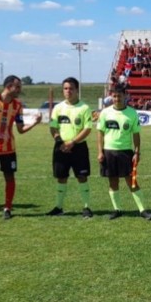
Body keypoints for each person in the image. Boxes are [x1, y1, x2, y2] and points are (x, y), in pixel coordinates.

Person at [0, 75, 42, 220]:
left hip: (8, 148)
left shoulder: (17, 106)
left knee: (9, 176)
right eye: (17, 87)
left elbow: (20, 129)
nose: (19, 90)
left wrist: (34, 123)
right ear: (8, 87)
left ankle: (7, 208)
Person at [97, 84, 151, 220]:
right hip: (109, 152)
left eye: (119, 96)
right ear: (111, 96)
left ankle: (143, 210)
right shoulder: (105, 113)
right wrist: (100, 152)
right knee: (113, 182)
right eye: (115, 96)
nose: (117, 99)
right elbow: (100, 133)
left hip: (126, 152)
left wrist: (137, 152)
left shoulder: (132, 113)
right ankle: (117, 209)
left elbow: (136, 134)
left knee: (132, 181)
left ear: (125, 96)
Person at [47, 77, 94, 218]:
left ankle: (86, 207)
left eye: (71, 88)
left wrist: (72, 142)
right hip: (60, 147)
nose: (68, 91)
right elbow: (53, 128)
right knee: (61, 177)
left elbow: (87, 129)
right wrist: (60, 142)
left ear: (77, 90)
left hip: (78, 147)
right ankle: (59, 207)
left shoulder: (84, 108)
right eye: (65, 88)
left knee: (82, 176)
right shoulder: (58, 108)